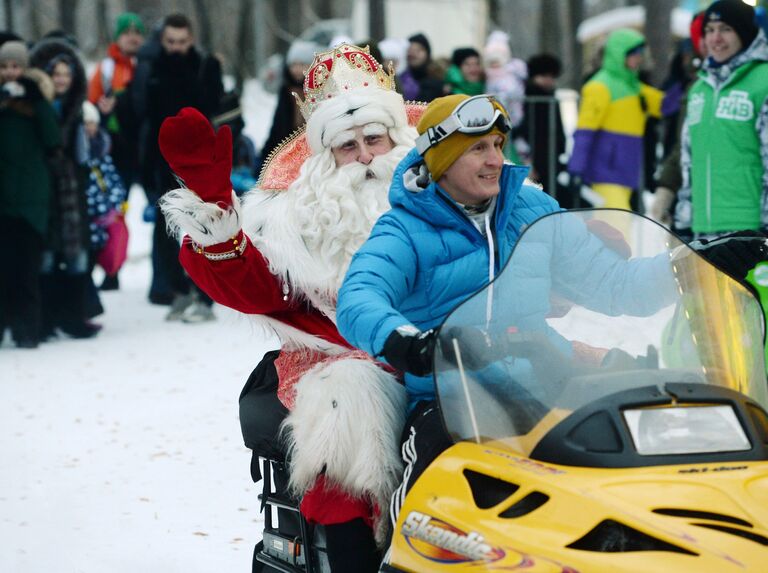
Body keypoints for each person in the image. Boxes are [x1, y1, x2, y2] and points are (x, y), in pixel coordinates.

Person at [335, 93, 716, 535]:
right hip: (452, 400)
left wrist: (691, 266)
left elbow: (616, 285)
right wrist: (406, 341)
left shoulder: (532, 213)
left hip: (545, 383)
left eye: (498, 145)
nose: (495, 159)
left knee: (627, 475)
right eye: (478, 148)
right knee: (429, 504)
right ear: (441, 158)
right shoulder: (403, 229)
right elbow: (359, 294)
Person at [157, 43, 419, 571]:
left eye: (374, 138)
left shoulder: (441, 192)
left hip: (446, 353)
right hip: (337, 361)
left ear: (399, 137)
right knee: (350, 426)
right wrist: (216, 213)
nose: (366, 156)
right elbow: (255, 289)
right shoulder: (297, 218)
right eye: (348, 146)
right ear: (325, 155)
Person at [143, 12, 224, 323]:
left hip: (200, 162)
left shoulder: (206, 66)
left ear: (191, 40)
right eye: (170, 42)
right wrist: (147, 165)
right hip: (164, 162)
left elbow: (210, 105)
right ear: (163, 41)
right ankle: (177, 291)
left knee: (202, 227)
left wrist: (185, 74)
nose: (176, 48)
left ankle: (205, 294)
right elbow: (150, 118)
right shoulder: (154, 69)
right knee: (166, 230)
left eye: (181, 42)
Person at [675, 0, 768, 242]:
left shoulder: (763, 82)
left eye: (725, 29)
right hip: (703, 230)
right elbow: (688, 161)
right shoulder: (698, 90)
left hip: (751, 230)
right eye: (710, 30)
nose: (715, 39)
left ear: (745, 33)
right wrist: (684, 220)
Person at [30, 36, 103, 339]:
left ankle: (75, 316)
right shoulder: (35, 107)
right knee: (45, 258)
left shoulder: (78, 110)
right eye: (55, 74)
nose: (61, 80)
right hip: (44, 189)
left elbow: (90, 152)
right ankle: (44, 320)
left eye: (66, 74)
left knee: (77, 258)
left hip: (73, 192)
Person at [567, 28, 671, 211]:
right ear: (620, 54)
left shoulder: (634, 86)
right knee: (616, 227)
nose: (639, 58)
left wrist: (683, 79)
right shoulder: (599, 86)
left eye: (641, 53)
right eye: (634, 53)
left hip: (626, 172)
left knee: (611, 229)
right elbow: (585, 132)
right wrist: (576, 169)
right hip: (605, 172)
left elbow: (665, 105)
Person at [0, 39, 60, 348]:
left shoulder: (38, 102)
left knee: (26, 272)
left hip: (31, 202)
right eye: (5, 66)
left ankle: (28, 331)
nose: (11, 73)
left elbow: (53, 140)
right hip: (3, 202)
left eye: (16, 66)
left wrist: (36, 103)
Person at [87, 11, 145, 290]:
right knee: (114, 213)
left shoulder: (147, 64)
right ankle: (112, 269)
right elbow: (90, 108)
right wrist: (101, 108)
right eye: (127, 32)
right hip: (117, 151)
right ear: (118, 37)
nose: (133, 37)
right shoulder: (106, 70)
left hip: (145, 149)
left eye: (137, 32)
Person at [516, 53, 569, 205]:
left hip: (550, 155)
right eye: (544, 75)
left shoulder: (550, 96)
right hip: (535, 155)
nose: (549, 80)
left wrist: (561, 146)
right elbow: (526, 128)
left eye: (552, 76)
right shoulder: (527, 98)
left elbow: (558, 127)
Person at [260, 39, 318, 162]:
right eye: (293, 64)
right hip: (288, 152)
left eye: (302, 64)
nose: (296, 69)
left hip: (312, 153)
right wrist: (265, 157)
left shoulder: (318, 91)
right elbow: (277, 126)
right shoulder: (286, 90)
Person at [398, 33, 444, 103]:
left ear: (427, 53)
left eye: (418, 50)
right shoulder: (399, 79)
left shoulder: (439, 79)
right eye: (410, 50)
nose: (413, 54)